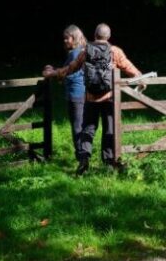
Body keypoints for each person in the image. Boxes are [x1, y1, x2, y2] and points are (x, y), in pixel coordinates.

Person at [43, 23, 142, 175]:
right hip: (109, 99)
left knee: (88, 129)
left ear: (95, 35)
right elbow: (129, 67)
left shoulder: (86, 51)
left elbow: (70, 69)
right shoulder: (115, 51)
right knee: (109, 130)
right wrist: (140, 78)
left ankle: (83, 160)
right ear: (108, 37)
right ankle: (109, 163)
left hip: (90, 98)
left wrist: (54, 73)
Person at [60, 25, 87, 160]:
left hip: (75, 94)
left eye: (67, 38)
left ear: (74, 38)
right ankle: (84, 156)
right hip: (82, 93)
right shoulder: (82, 50)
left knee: (77, 127)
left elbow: (69, 73)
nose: (65, 41)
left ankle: (82, 159)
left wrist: (58, 75)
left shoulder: (75, 53)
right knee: (81, 125)